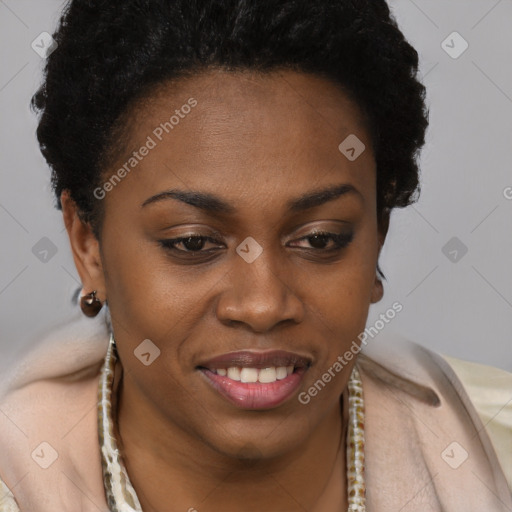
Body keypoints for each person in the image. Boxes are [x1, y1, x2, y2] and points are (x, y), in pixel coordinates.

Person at [0, 0, 510, 510]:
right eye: (193, 243)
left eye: (319, 239)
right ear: (88, 246)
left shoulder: (493, 448)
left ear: (377, 234)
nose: (263, 305)